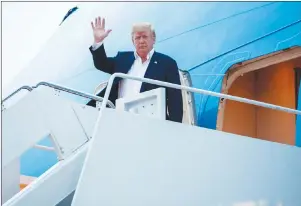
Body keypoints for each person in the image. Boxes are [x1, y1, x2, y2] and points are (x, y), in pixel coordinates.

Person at [87, 16, 183, 123]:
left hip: (152, 123)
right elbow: (101, 64)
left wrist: (176, 129)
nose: (141, 41)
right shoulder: (122, 59)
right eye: (137, 38)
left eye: (145, 36)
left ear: (153, 39)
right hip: (119, 120)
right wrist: (98, 42)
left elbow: (175, 101)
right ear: (133, 41)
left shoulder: (167, 63)